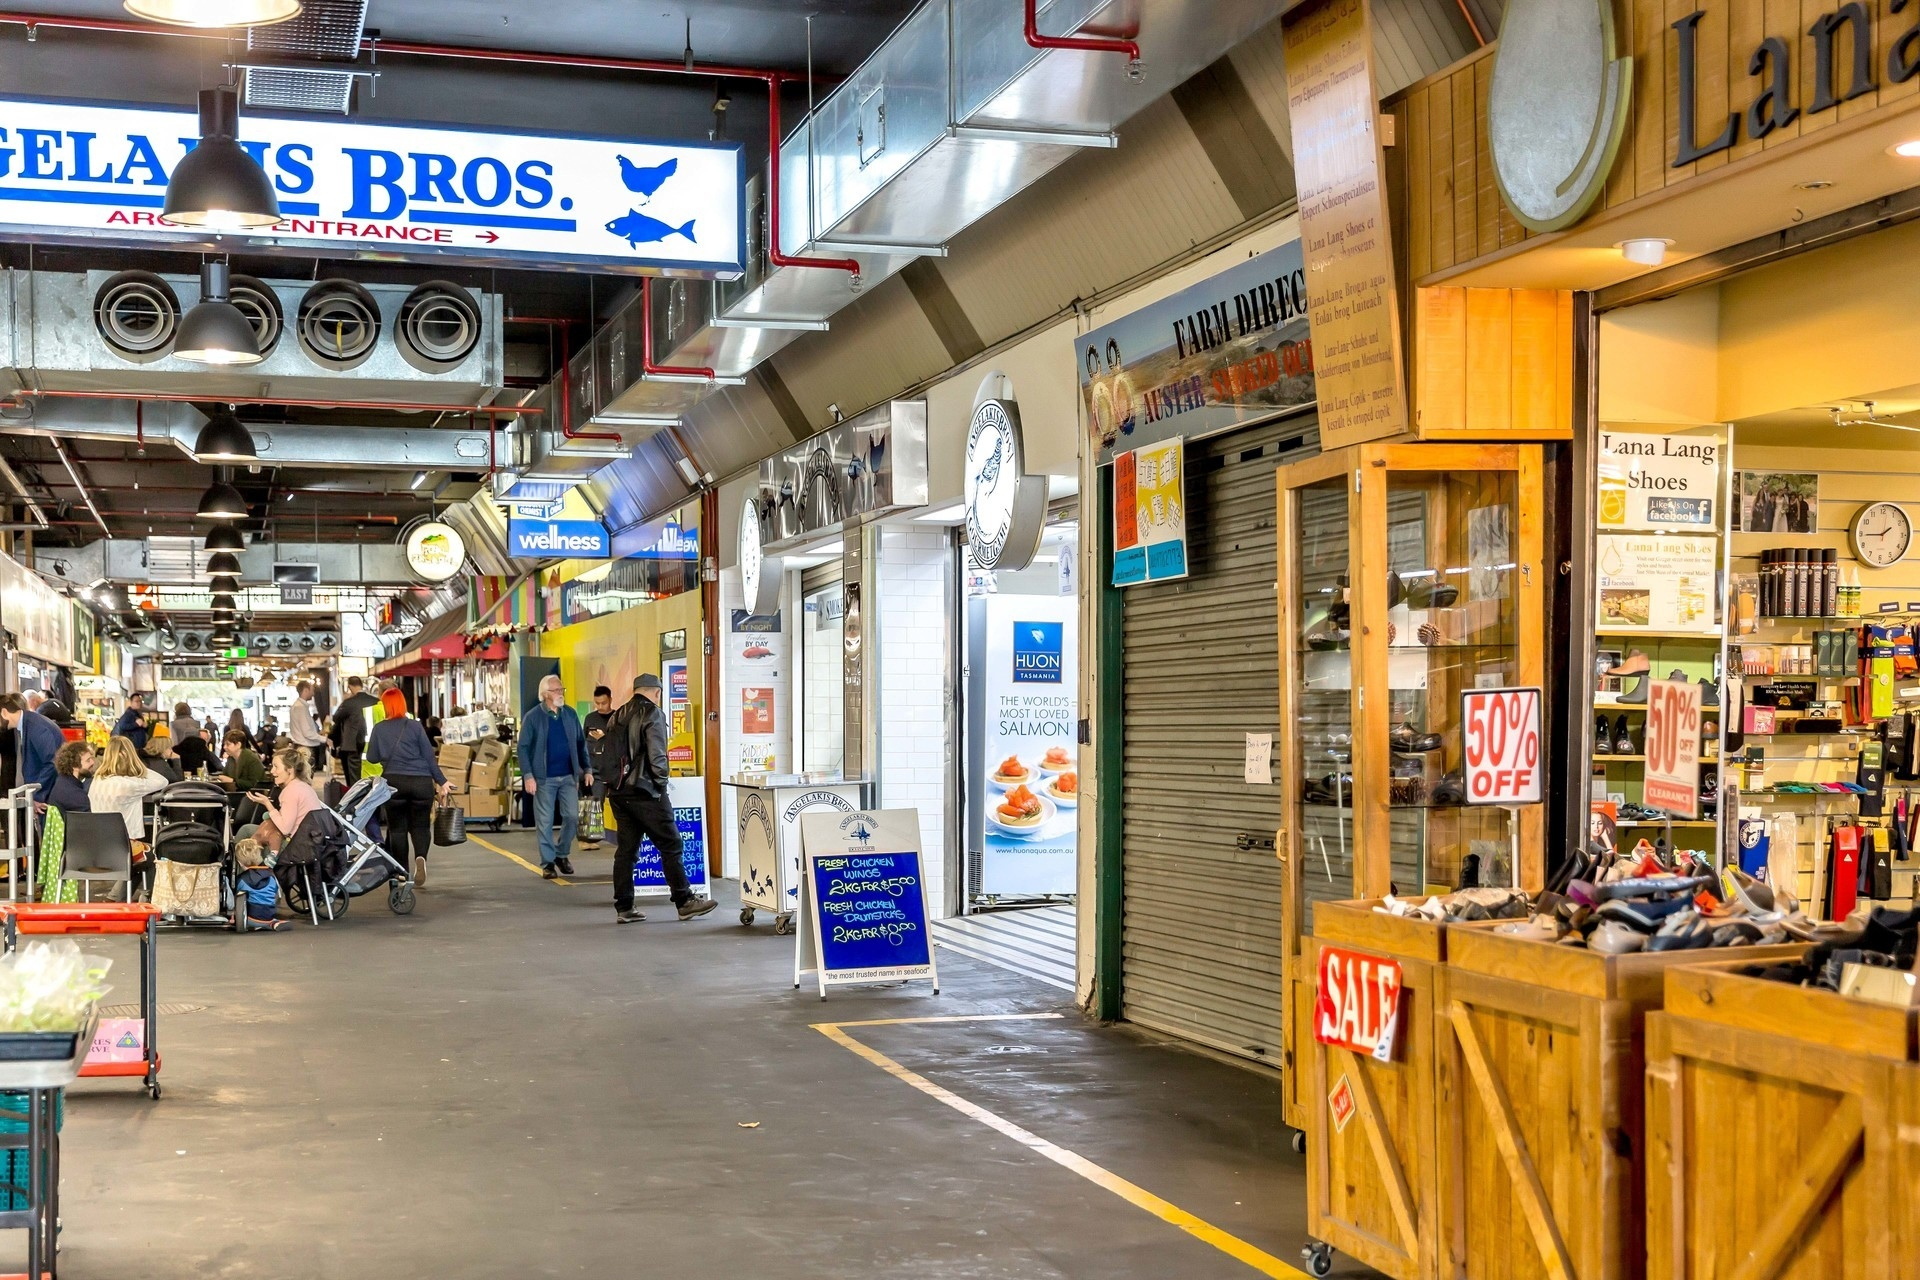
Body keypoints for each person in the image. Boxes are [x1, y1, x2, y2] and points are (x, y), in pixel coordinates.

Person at [607, 674, 716, 924]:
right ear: (656, 692)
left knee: (626, 851)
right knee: (671, 844)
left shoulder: (618, 714)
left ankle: (624, 907)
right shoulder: (652, 713)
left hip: (619, 792)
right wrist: (662, 783)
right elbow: (657, 755)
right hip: (646, 792)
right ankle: (684, 900)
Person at [366, 687, 450, 887]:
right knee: (420, 826)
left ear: (385, 705)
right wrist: (442, 781)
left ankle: (402, 874)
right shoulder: (415, 726)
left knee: (397, 830)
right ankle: (421, 857)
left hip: (394, 784)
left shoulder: (379, 728)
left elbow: (372, 757)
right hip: (421, 783)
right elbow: (429, 757)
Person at [517, 674, 590, 880]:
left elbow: (580, 743)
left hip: (568, 776)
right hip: (543, 779)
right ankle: (548, 862)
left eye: (561, 690)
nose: (561, 693)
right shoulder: (533, 717)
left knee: (572, 817)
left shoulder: (570, 714)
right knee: (545, 821)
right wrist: (528, 776)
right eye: (557, 690)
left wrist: (587, 769)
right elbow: (522, 748)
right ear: (544, 694)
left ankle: (561, 853)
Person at [90, 735, 168, 889]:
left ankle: (115, 898)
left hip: (97, 845)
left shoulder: (97, 780)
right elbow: (162, 781)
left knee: (141, 857)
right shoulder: (129, 785)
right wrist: (136, 763)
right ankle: (151, 901)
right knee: (153, 856)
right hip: (122, 847)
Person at [0, 692, 65, 806]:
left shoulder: (37, 727)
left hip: (48, 798)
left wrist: (36, 796)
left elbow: (52, 763)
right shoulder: (26, 724)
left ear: (4, 712)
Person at [581, 686, 616, 850]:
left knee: (621, 805)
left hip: (615, 770)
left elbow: (622, 743)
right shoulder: (590, 719)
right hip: (595, 770)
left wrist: (606, 738)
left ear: (610, 699)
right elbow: (582, 743)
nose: (601, 706)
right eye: (597, 703)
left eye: (604, 703)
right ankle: (588, 840)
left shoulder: (618, 718)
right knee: (594, 803)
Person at [232, 838, 288, 932]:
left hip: (249, 918)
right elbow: (276, 895)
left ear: (240, 862)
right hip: (269, 914)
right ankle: (271, 923)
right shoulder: (271, 876)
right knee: (267, 918)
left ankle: (252, 923)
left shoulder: (242, 879)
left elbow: (238, 899)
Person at [329, 676, 377, 783]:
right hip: (373, 744)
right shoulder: (375, 701)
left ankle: (357, 798)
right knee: (372, 776)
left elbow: (336, 718)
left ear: (349, 687)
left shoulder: (349, 703)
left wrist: (345, 701)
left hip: (352, 745)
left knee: (355, 779)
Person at [46, 740, 94, 817]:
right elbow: (90, 822)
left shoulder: (62, 782)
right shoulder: (75, 794)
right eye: (88, 760)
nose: (92, 762)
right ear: (74, 766)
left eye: (92, 758)